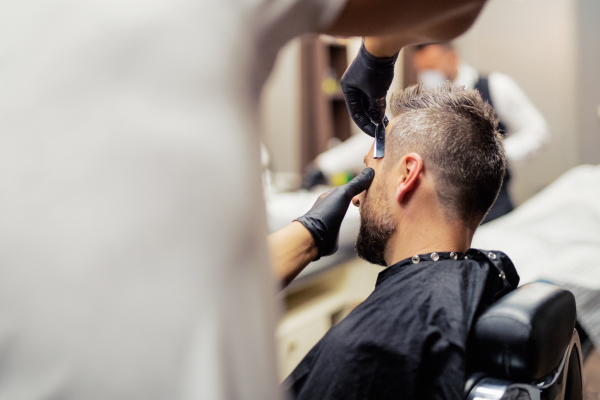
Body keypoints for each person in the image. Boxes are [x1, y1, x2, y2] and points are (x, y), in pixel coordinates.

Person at [0, 0, 490, 398]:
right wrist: (379, 52)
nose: (360, 194)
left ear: (406, 174)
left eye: (372, 165)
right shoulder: (473, 284)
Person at [283, 83, 520, 400]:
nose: (356, 200)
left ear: (407, 174)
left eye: (369, 172)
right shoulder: (490, 273)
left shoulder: (372, 345)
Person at [413, 42, 550, 223]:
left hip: (494, 209)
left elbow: (538, 132)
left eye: (431, 67)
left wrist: (493, 155)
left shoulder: (495, 86)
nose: (427, 75)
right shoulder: (425, 100)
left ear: (452, 58)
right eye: (422, 70)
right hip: (444, 215)